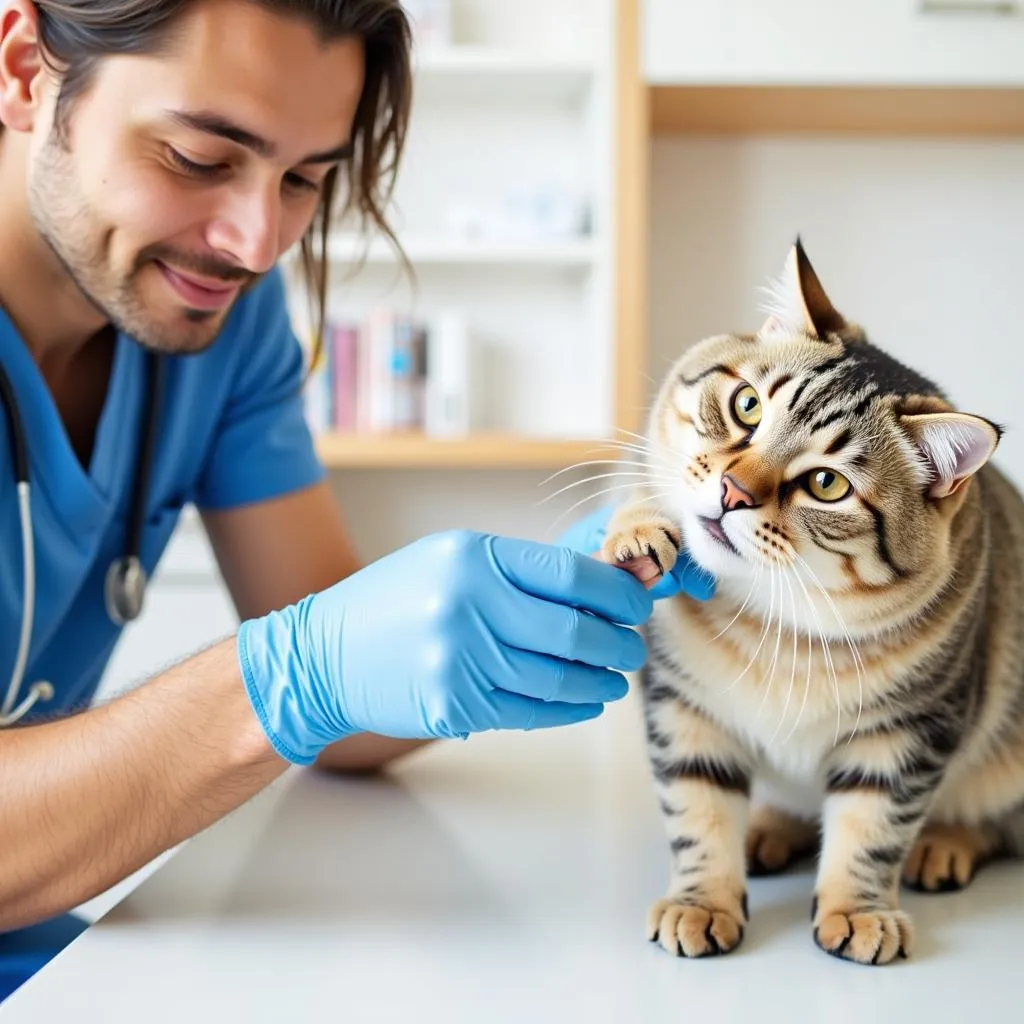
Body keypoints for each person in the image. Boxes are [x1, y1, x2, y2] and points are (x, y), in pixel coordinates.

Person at [0, 0, 714, 999]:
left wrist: (552, 590)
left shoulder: (224, 330)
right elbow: (309, 681)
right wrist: (289, 676)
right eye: (200, 158)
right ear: (28, 68)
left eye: (303, 179)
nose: (255, 243)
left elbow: (350, 716)